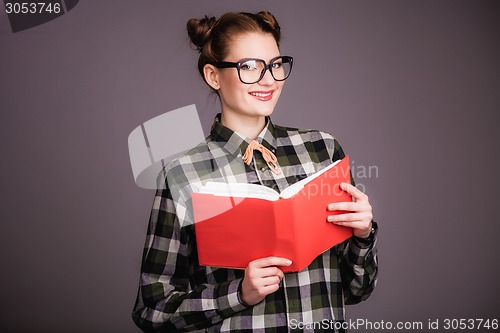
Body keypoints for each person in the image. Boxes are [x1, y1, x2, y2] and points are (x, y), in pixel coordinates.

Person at [132, 11, 378, 333]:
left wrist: (363, 236)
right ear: (213, 75)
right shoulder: (183, 175)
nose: (269, 80)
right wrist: (238, 294)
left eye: (276, 65)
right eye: (249, 66)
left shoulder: (323, 151)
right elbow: (152, 309)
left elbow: (356, 290)